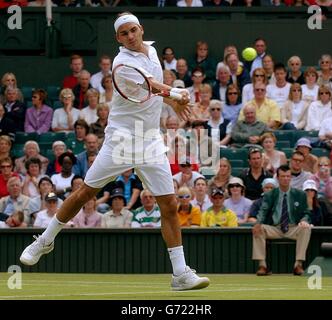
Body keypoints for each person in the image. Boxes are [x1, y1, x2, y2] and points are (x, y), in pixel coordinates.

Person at [20, 12, 209, 291]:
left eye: (133, 31)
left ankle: (180, 274)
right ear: (118, 38)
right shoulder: (121, 63)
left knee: (168, 205)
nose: (130, 37)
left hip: (150, 142)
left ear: (141, 30)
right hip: (121, 140)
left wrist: (176, 98)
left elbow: (159, 90)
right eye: (124, 34)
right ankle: (45, 240)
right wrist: (177, 96)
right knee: (85, 192)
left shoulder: (153, 51)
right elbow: (154, 87)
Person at [252, 164, 312, 276]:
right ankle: (262, 265)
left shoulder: (300, 194)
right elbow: (263, 210)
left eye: (288, 176)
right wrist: (258, 223)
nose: (285, 179)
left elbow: (307, 213)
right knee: (259, 228)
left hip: (293, 227)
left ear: (291, 178)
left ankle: (298, 264)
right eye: (283, 176)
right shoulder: (270, 194)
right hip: (275, 228)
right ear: (278, 178)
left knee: (305, 228)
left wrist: (304, 220)